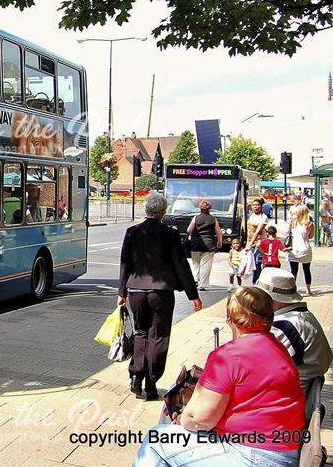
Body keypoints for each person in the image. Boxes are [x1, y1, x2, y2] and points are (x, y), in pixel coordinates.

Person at [133, 287, 305, 467]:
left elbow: (200, 419)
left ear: (231, 319)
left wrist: (181, 419)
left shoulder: (229, 356)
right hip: (283, 449)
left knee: (156, 441)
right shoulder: (278, 347)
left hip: (253, 455)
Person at [118, 193, 202, 401]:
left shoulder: (132, 232)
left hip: (135, 291)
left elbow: (124, 264)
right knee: (159, 336)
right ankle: (151, 382)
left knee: (140, 333)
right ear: (163, 211)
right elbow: (180, 265)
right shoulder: (170, 234)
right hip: (161, 292)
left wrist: (121, 293)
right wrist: (193, 295)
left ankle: (136, 375)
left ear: (146, 210)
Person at [257, 267, 332, 395]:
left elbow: (257, 367)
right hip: (299, 392)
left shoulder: (285, 326)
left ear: (270, 299)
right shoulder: (301, 316)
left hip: (285, 399)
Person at [186, 200, 222, 290]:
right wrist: (219, 241)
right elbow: (218, 232)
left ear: (200, 208)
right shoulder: (213, 219)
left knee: (195, 264)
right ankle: (202, 284)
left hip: (195, 244)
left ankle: (195, 280)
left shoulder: (195, 218)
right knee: (205, 265)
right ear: (210, 208)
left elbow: (189, 230)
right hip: (209, 245)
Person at [286, 204, 314, 296]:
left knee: (293, 271)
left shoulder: (293, 222)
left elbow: (289, 234)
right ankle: (308, 289)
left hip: (294, 249)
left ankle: (292, 289)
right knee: (306, 269)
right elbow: (310, 237)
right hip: (305, 249)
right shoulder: (309, 224)